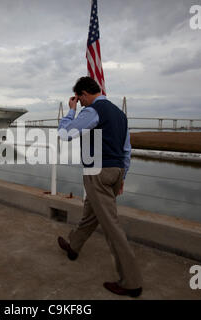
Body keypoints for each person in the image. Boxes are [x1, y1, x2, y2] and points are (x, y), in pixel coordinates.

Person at [57, 76, 143, 297]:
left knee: (111, 227)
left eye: (80, 99)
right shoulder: (120, 115)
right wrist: (122, 177)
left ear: (84, 94)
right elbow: (126, 150)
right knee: (90, 214)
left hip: (98, 173)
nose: (81, 103)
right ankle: (73, 246)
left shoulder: (93, 110)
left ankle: (132, 282)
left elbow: (65, 134)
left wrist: (71, 111)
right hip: (115, 172)